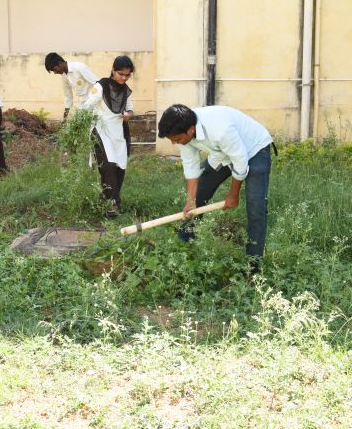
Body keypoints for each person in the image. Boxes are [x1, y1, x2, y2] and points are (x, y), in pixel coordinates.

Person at [158, 104, 273, 270]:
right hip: (222, 153)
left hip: (254, 150)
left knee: (256, 207)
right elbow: (191, 167)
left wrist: (233, 194)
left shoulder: (220, 129)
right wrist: (190, 201)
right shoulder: (182, 130)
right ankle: (183, 246)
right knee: (200, 193)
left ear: (191, 130)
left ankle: (253, 267)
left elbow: (240, 161)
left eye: (176, 139)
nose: (174, 143)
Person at [85, 55, 135, 216]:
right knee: (109, 166)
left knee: (120, 167)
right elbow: (87, 106)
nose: (124, 78)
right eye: (121, 74)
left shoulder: (125, 90)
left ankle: (107, 200)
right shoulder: (101, 86)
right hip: (101, 130)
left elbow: (130, 109)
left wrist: (128, 115)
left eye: (127, 75)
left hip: (118, 132)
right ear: (113, 70)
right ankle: (112, 204)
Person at [44, 52, 97, 119]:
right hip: (83, 103)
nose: (55, 73)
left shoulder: (79, 67)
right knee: (78, 121)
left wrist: (94, 100)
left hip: (94, 101)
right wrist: (65, 117)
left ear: (60, 63)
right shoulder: (64, 76)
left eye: (55, 69)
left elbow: (97, 83)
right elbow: (68, 96)